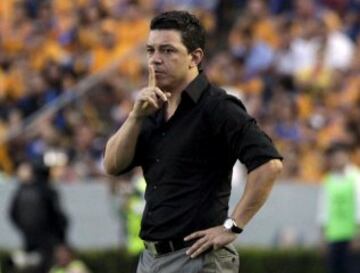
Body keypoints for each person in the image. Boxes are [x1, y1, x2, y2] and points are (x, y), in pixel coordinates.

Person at [103, 10, 283, 273]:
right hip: (151, 259)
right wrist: (135, 116)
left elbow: (269, 164)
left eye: (167, 51)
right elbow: (112, 165)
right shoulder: (150, 109)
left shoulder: (217, 106)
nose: (155, 60)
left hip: (197, 259)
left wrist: (232, 226)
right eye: (150, 50)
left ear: (194, 57)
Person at [8, 160, 68, 273]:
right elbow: (58, 217)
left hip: (28, 239)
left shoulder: (22, 191)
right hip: (48, 240)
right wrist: (61, 238)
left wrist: (24, 229)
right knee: (45, 266)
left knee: (30, 266)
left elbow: (12, 214)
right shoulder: (48, 191)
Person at [317, 143, 360, 273]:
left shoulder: (355, 178)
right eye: (334, 157)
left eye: (340, 156)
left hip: (351, 235)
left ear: (347, 156)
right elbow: (323, 210)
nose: (337, 160)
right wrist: (322, 236)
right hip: (333, 236)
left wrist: (358, 234)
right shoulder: (328, 179)